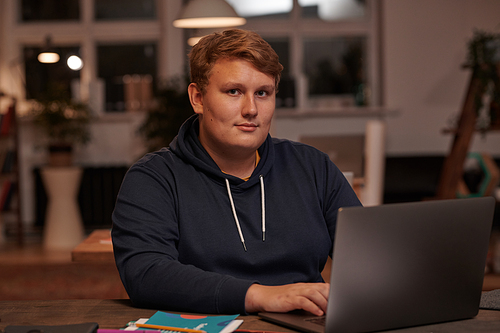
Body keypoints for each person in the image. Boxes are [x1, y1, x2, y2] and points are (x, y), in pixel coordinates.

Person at [111, 29, 361, 316]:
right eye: (234, 91)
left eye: (263, 93)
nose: (251, 109)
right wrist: (260, 296)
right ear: (198, 98)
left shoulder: (314, 167)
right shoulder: (153, 178)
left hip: (305, 323)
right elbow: (146, 274)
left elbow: (367, 259)